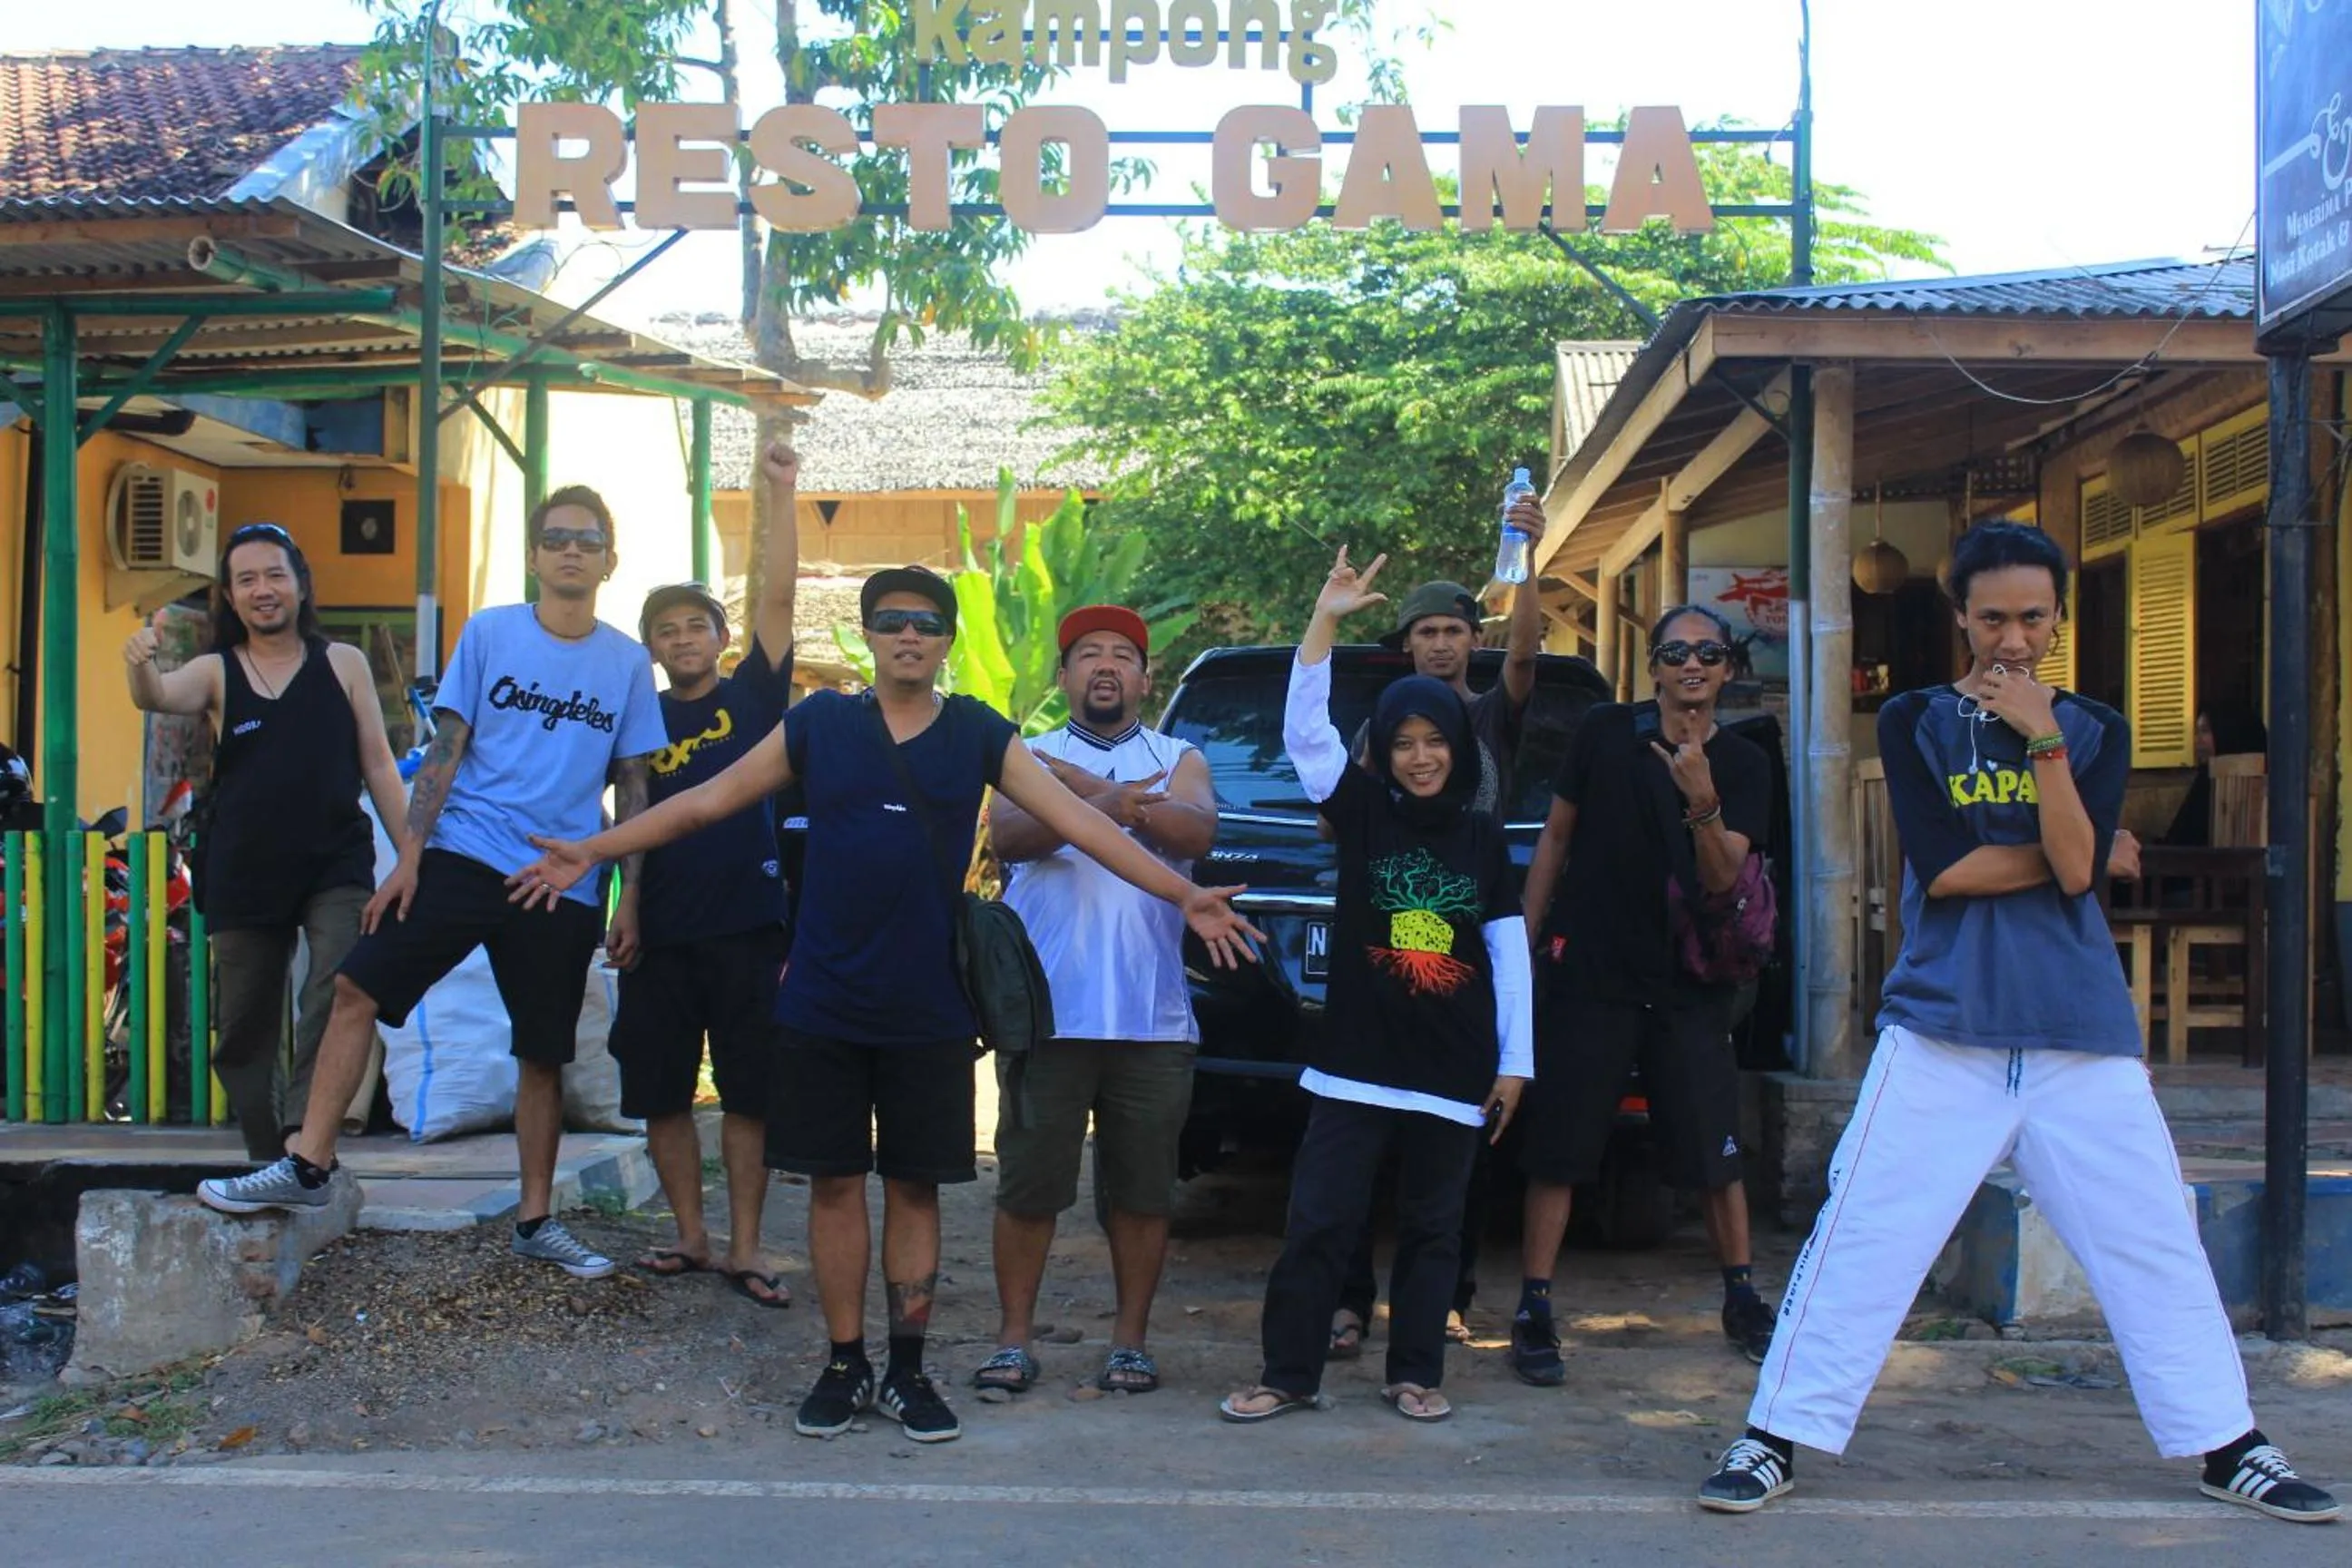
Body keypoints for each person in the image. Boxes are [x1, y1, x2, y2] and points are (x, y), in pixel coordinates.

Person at [505, 564, 1263, 1446]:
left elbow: (1086, 823)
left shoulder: (979, 732)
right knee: (833, 1189)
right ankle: (843, 1364)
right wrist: (589, 852)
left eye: (927, 622)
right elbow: (703, 804)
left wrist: (1182, 895)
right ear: (867, 634)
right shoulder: (820, 725)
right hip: (824, 1000)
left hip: (931, 1005)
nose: (910, 634)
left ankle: (906, 1370)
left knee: (915, 1191)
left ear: (945, 641)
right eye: (893, 620)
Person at [1699, 522, 2337, 1523]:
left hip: (2079, 1035)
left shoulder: (2093, 729)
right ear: (1960, 614)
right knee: (1865, 1235)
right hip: (1944, 1028)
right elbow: (1954, 868)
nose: (2011, 638)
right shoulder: (1914, 720)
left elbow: (2075, 870)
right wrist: (2080, 842)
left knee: (2154, 1239)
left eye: (2032, 618)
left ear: (2056, 619)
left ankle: (2230, 1444)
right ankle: (1772, 1435)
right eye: (1991, 617)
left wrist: (2044, 745)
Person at [198, 486, 668, 1288]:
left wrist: (631, 894)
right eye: (555, 537)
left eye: (586, 541)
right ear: (533, 554)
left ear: (608, 560)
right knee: (355, 987)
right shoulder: (490, 633)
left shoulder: (625, 662)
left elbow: (633, 785)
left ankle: (534, 1221)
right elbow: (444, 747)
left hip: (558, 880)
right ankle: (307, 1163)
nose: (570, 551)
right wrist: (409, 855)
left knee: (542, 1054)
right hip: (461, 856)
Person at [1219, 548, 1532, 1426]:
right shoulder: (1361, 812)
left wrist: (1515, 1069)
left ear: (1458, 748)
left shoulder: (1481, 841)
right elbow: (1307, 733)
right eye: (1404, 743)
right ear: (1384, 753)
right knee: (1319, 1222)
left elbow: (1509, 962)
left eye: (1437, 742)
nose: (1423, 757)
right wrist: (1325, 619)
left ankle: (1416, 1373)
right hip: (1354, 1064)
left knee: (1435, 1232)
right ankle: (1289, 1374)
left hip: (1454, 1071)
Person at [1514, 602, 1778, 1383]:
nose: (1691, 664)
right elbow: (1556, 836)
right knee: (1559, 1150)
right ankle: (1534, 1305)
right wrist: (1520, 946)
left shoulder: (1746, 764)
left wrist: (1701, 794)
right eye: (1675, 651)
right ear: (1654, 665)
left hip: (1690, 982)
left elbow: (1725, 876)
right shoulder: (1604, 732)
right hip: (1591, 974)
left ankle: (1740, 1295)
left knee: (1714, 1151)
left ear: (1728, 668)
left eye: (1707, 652)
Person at [971, 605, 1217, 1397]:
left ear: (1146, 679)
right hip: (1047, 1016)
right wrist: (1111, 803)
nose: (1104, 666)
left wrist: (1085, 798)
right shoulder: (1026, 755)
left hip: (1153, 1018)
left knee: (1143, 1194)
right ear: (1064, 675)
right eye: (1087, 655)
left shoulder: (1180, 754)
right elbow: (1010, 837)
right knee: (1028, 1186)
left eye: (1121, 655)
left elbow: (1194, 833)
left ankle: (1130, 1344)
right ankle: (1013, 1341)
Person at [1331, 492, 1546, 1357]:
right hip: (1380, 957)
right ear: (1407, 645)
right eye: (1425, 632)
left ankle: (1444, 1300)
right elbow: (1332, 815)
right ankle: (1349, 1303)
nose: (1441, 643)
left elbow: (1528, 652)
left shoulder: (1493, 714)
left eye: (1455, 630)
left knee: (1462, 1143)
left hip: (1470, 954)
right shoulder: (1378, 734)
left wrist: (1526, 557)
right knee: (1352, 1147)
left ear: (1472, 640)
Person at [123, 524, 411, 1161]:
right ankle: (267, 1154)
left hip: (336, 862)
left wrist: (412, 855)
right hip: (245, 870)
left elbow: (381, 766)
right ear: (229, 596)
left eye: (275, 575)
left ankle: (307, 1140)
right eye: (246, 579)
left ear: (301, 586)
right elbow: (160, 697)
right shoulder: (217, 671)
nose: (263, 590)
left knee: (339, 990)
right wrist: (140, 667)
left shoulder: (344, 664)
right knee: (245, 1025)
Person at [613, 440, 803, 1304]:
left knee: (749, 1096)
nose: (684, 638)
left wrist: (779, 490)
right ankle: (690, 1237)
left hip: (748, 926)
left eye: (697, 625)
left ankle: (748, 1245)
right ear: (651, 646)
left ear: (721, 639)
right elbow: (632, 822)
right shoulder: (639, 720)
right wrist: (627, 906)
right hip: (662, 933)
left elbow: (778, 595)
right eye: (667, 629)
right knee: (660, 1092)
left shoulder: (755, 701)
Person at [2161, 703, 2268, 847]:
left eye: (2205, 731)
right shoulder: (2205, 780)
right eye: (2197, 732)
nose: (2197, 740)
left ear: (2227, 733)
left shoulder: (2261, 785)